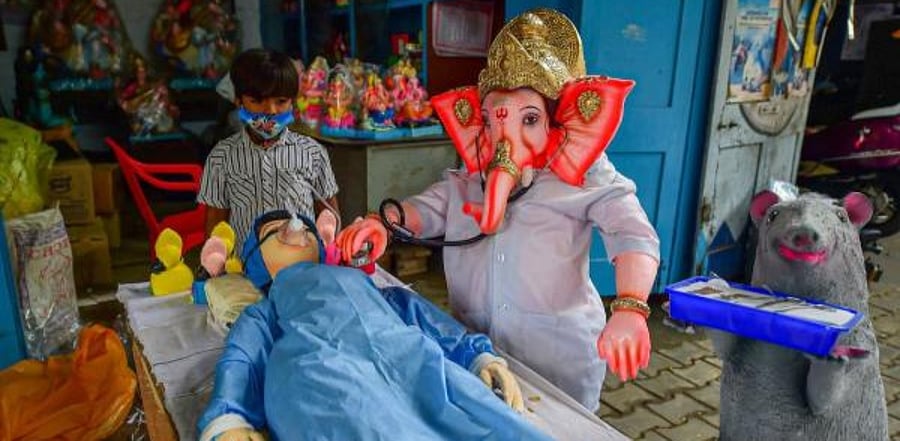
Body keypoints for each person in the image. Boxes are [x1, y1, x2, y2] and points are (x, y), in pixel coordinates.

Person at [336, 8, 660, 411]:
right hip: (478, 350)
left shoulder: (584, 175)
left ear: (563, 123)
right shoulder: (474, 174)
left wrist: (630, 306)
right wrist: (384, 223)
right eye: (491, 122)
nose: (503, 139)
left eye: (529, 119)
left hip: (558, 360)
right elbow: (429, 208)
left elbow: (633, 233)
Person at [197, 211, 551, 441]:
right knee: (359, 421)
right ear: (256, 262)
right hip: (323, 367)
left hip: (408, 356)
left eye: (307, 227)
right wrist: (229, 419)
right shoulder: (265, 310)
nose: (297, 229)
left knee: (480, 414)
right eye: (276, 231)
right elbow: (242, 359)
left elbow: (420, 314)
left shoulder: (368, 284)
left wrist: (477, 357)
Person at [197, 48, 339, 252]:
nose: (270, 111)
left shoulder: (313, 153)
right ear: (239, 101)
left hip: (302, 267)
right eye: (257, 101)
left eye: (280, 101)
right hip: (245, 272)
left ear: (292, 102)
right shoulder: (221, 157)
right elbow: (215, 230)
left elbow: (330, 220)